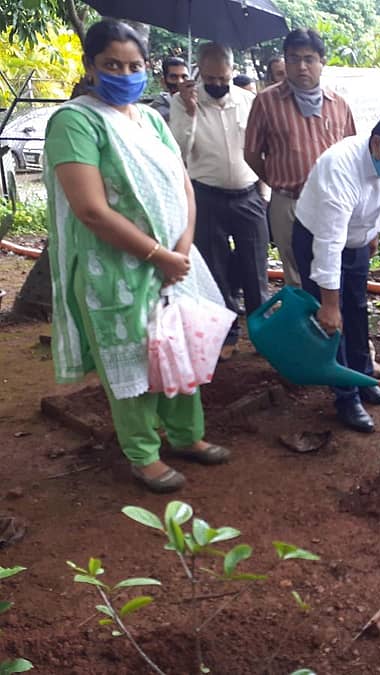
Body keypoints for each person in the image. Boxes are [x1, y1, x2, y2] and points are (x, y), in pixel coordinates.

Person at [43, 19, 230, 494]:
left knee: (178, 349)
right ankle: (143, 455)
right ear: (90, 67)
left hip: (174, 263)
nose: (125, 74)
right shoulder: (75, 122)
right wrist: (158, 254)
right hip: (116, 271)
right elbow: (90, 208)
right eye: (112, 65)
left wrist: (182, 246)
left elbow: (183, 184)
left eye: (134, 65)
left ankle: (188, 436)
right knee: (133, 365)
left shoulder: (148, 118)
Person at [293, 108, 380, 433]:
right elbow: (328, 243)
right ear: (378, 143)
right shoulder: (340, 167)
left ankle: (364, 378)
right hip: (318, 238)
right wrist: (328, 303)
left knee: (357, 310)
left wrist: (374, 234)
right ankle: (346, 397)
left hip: (357, 240)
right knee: (333, 322)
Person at [169, 42, 269, 360]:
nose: (215, 85)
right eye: (209, 78)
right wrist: (189, 113)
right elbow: (179, 152)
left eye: (221, 78)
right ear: (200, 71)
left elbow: (261, 147)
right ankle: (227, 333)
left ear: (231, 71)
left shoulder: (248, 101)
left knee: (255, 265)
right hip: (206, 194)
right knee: (215, 268)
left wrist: (263, 193)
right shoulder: (182, 101)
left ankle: (262, 332)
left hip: (248, 193)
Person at [245, 29, 355, 288]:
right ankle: (305, 327)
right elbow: (251, 153)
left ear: (322, 62)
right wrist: (277, 180)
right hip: (288, 202)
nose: (301, 66)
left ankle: (333, 324)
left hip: (331, 202)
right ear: (285, 61)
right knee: (295, 273)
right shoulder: (266, 102)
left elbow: (351, 153)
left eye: (309, 59)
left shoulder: (338, 105)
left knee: (331, 266)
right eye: (293, 59)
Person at [148, 55, 189, 122]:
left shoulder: (197, 105)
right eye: (174, 77)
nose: (180, 82)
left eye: (184, 77)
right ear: (163, 82)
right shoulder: (155, 113)